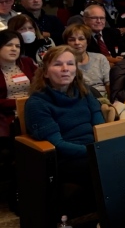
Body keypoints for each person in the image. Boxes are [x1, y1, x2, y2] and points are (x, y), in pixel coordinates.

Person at [25, 46, 104, 191]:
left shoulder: (84, 90)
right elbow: (58, 145)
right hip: (66, 158)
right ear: (46, 73)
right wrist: (95, 151)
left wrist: (102, 147)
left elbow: (99, 124)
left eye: (70, 63)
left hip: (95, 149)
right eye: (57, 64)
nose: (65, 68)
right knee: (108, 165)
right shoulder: (37, 103)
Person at [0, 30, 37, 138]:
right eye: (9, 45)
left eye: (18, 46)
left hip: (34, 109)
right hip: (7, 115)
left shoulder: (26, 63)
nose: (14, 49)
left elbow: (41, 83)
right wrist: (19, 103)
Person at [63, 23, 110, 97]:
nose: (77, 43)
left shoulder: (100, 58)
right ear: (66, 43)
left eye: (81, 39)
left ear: (87, 41)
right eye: (72, 40)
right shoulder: (64, 63)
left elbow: (109, 84)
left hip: (103, 99)